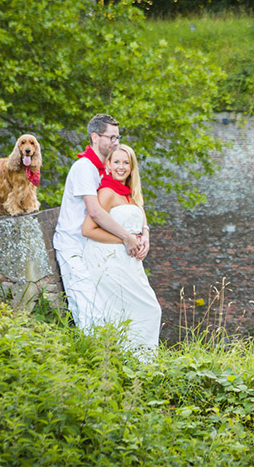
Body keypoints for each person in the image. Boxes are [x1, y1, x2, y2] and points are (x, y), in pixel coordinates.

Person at [53, 114, 149, 331]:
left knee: (108, 308)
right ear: (95, 137)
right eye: (112, 137)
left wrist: (145, 232)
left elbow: (131, 199)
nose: (116, 142)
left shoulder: (106, 168)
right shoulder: (84, 167)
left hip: (91, 248)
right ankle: (89, 357)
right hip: (72, 247)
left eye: (117, 137)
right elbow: (95, 212)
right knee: (87, 308)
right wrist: (126, 237)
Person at [80, 144, 161, 358]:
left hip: (130, 261)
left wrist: (145, 237)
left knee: (140, 311)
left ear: (132, 166)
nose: (121, 167)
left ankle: (137, 361)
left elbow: (140, 222)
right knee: (146, 309)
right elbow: (88, 229)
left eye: (126, 162)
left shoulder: (130, 195)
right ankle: (132, 359)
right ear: (107, 164)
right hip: (108, 258)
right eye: (116, 161)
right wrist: (125, 241)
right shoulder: (107, 192)